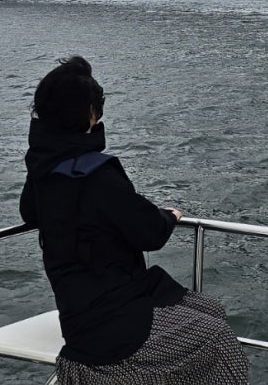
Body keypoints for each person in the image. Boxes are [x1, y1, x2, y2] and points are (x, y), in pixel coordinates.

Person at [19, 55, 249, 385]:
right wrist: (169, 216)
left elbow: (30, 213)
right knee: (217, 338)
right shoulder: (95, 174)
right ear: (88, 113)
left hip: (80, 313)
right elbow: (149, 231)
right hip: (114, 322)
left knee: (209, 311)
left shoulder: (43, 169)